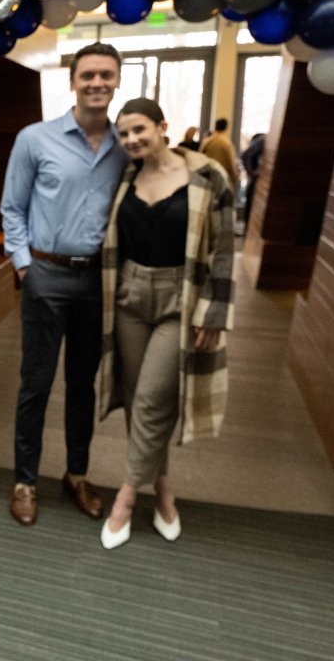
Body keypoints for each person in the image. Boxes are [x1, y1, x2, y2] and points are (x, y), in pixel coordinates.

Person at [0, 42, 128, 527]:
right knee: (35, 382)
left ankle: (77, 474)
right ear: (72, 81)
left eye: (106, 75)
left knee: (82, 383)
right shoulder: (35, 139)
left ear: (117, 82)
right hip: (45, 275)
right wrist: (23, 266)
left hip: (97, 280)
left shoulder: (125, 145)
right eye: (88, 75)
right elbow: (12, 206)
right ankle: (24, 481)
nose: (97, 83)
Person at [98, 98, 235, 549]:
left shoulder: (207, 175)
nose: (132, 139)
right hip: (130, 297)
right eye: (125, 134)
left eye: (140, 129)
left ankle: (125, 497)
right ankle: (163, 489)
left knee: (156, 400)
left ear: (162, 127)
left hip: (182, 296)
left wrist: (214, 312)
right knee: (139, 400)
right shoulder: (126, 175)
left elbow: (223, 250)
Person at [200, 117, 238, 185]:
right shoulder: (226, 142)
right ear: (226, 127)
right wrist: (234, 178)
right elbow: (231, 162)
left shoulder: (207, 140)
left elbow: (200, 156)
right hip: (222, 177)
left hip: (208, 175)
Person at [241, 132, 266, 222]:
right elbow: (246, 155)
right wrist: (252, 173)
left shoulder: (265, 139)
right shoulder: (265, 139)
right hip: (259, 182)